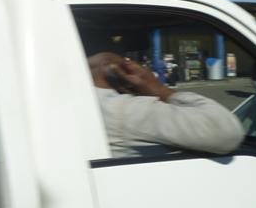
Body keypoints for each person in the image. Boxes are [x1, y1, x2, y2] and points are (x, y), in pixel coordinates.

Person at [88, 52, 244, 158]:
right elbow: (226, 131)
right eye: (126, 64)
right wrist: (161, 90)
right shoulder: (122, 110)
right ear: (114, 70)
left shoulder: (84, 105)